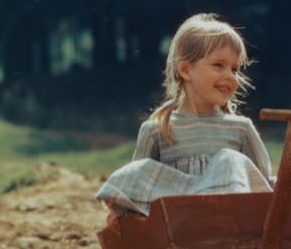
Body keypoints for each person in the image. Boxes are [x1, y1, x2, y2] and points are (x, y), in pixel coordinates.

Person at [95, 13, 272, 221]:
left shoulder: (241, 129)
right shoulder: (157, 129)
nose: (230, 76)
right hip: (179, 222)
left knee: (229, 160)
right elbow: (140, 185)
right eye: (218, 65)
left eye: (234, 69)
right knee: (135, 170)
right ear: (186, 70)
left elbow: (262, 183)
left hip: (228, 222)